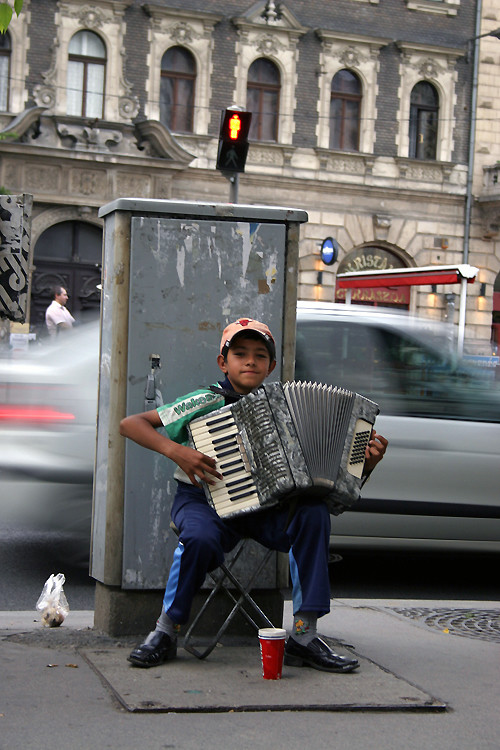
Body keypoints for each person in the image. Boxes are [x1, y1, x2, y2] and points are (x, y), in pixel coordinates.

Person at [120, 317, 388, 673]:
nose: (250, 361)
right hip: (205, 502)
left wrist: (366, 464)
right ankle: (165, 632)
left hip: (267, 509)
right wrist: (177, 451)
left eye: (259, 355)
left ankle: (304, 637)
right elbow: (131, 424)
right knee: (198, 539)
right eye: (240, 353)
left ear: (271, 366)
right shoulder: (203, 400)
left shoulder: (284, 406)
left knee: (312, 514)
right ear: (223, 362)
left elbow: (334, 483)